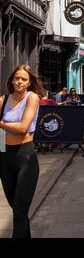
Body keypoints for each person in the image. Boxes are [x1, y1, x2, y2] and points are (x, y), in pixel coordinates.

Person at [0, 64, 41, 238]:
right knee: (18, 212)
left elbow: (23, 127)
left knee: (19, 212)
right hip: (5, 158)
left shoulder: (32, 98)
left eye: (24, 79)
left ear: (30, 82)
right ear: (12, 80)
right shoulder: (3, 100)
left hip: (26, 158)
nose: (19, 82)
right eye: (17, 78)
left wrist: (1, 124)